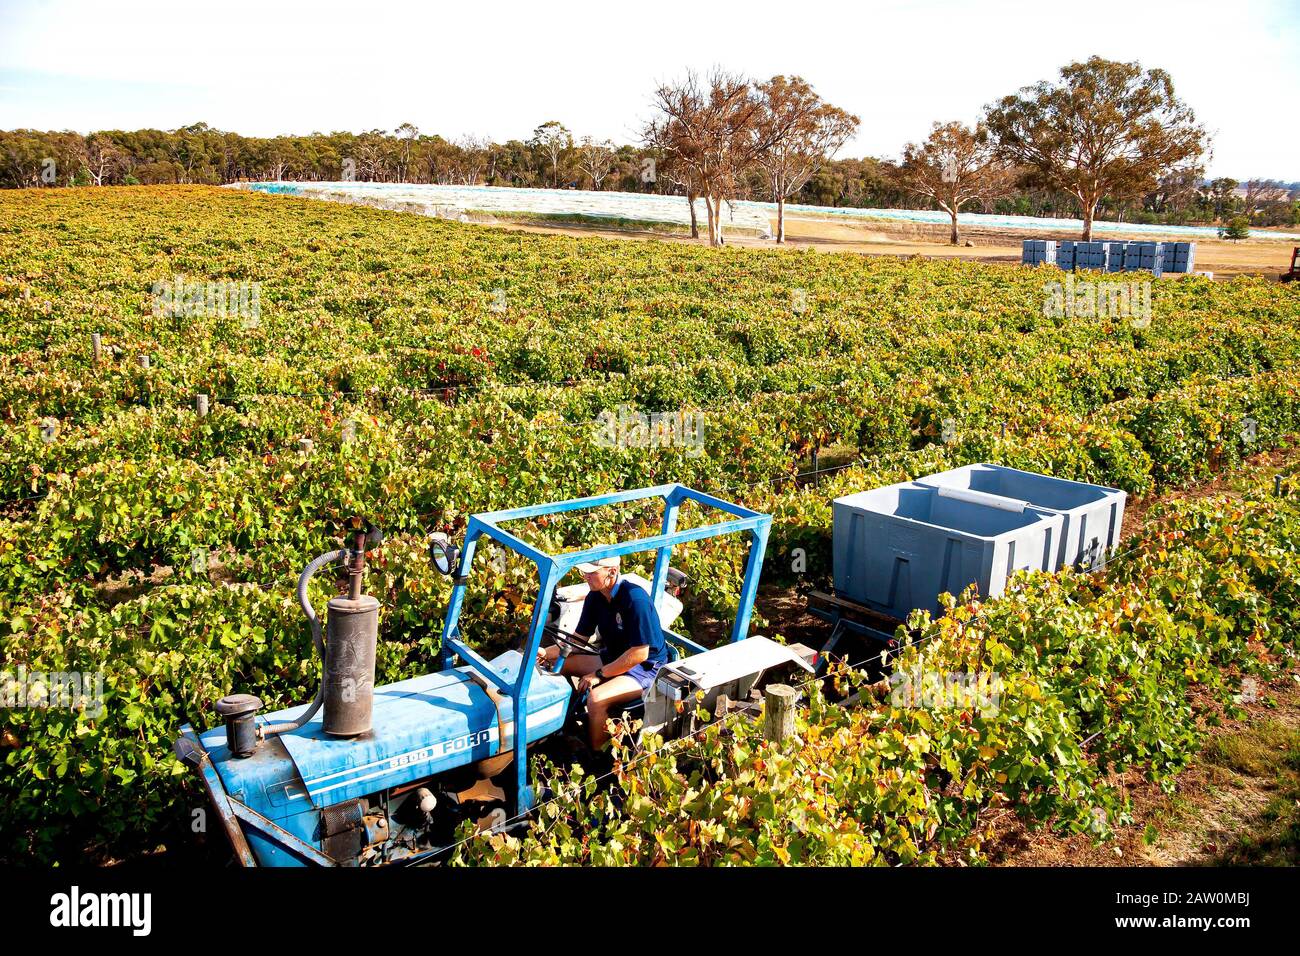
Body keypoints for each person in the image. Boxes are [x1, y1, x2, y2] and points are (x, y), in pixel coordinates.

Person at [537, 556, 667, 749]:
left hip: (645, 667)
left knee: (596, 699)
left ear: (612, 572)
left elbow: (640, 653)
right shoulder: (595, 597)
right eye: (585, 572)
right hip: (614, 656)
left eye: (591, 573)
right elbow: (577, 640)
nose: (585, 577)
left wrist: (598, 675)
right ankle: (566, 721)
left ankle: (597, 755)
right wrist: (544, 653)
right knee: (555, 666)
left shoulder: (635, 599)